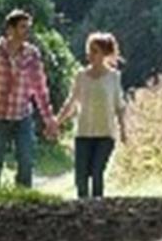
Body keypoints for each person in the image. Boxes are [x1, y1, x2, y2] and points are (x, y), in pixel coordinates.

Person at [0, 9, 57, 188]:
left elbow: (40, 88)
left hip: (22, 116)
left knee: (26, 161)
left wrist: (49, 119)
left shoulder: (32, 54)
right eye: (22, 27)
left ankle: (23, 201)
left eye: (28, 27)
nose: (27, 31)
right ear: (10, 29)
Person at [55, 31, 128, 198]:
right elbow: (72, 102)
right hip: (83, 133)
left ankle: (97, 208)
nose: (90, 54)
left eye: (94, 51)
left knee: (97, 173)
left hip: (105, 133)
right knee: (81, 177)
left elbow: (119, 106)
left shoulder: (114, 77)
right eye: (89, 50)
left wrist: (123, 130)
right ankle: (82, 209)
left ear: (104, 53)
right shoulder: (81, 76)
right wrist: (57, 122)